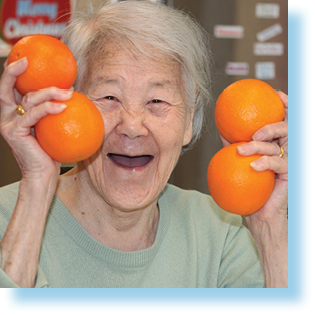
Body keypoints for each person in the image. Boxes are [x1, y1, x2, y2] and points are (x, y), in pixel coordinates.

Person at [0, 0, 288, 288]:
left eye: (156, 101)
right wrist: (36, 187)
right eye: (109, 97)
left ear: (188, 118)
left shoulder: (223, 234)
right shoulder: (10, 217)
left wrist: (270, 228)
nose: (133, 127)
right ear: (65, 103)